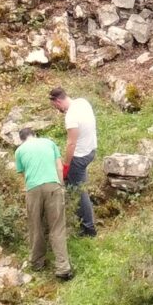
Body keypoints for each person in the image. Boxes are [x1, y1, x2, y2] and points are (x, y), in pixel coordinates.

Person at [13, 129, 74, 281]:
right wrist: (60, 186)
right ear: (35, 135)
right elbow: (59, 167)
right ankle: (63, 267)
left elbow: (24, 173)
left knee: (35, 225)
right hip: (53, 185)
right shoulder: (49, 143)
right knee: (57, 227)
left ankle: (37, 262)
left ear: (22, 139)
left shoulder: (19, 151)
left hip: (33, 189)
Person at [52, 85, 100, 237]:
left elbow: (71, 143)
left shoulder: (71, 116)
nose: (57, 109)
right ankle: (83, 220)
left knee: (78, 191)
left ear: (58, 101)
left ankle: (88, 228)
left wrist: (66, 165)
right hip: (91, 150)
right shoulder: (82, 102)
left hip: (79, 156)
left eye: (55, 106)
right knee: (80, 183)